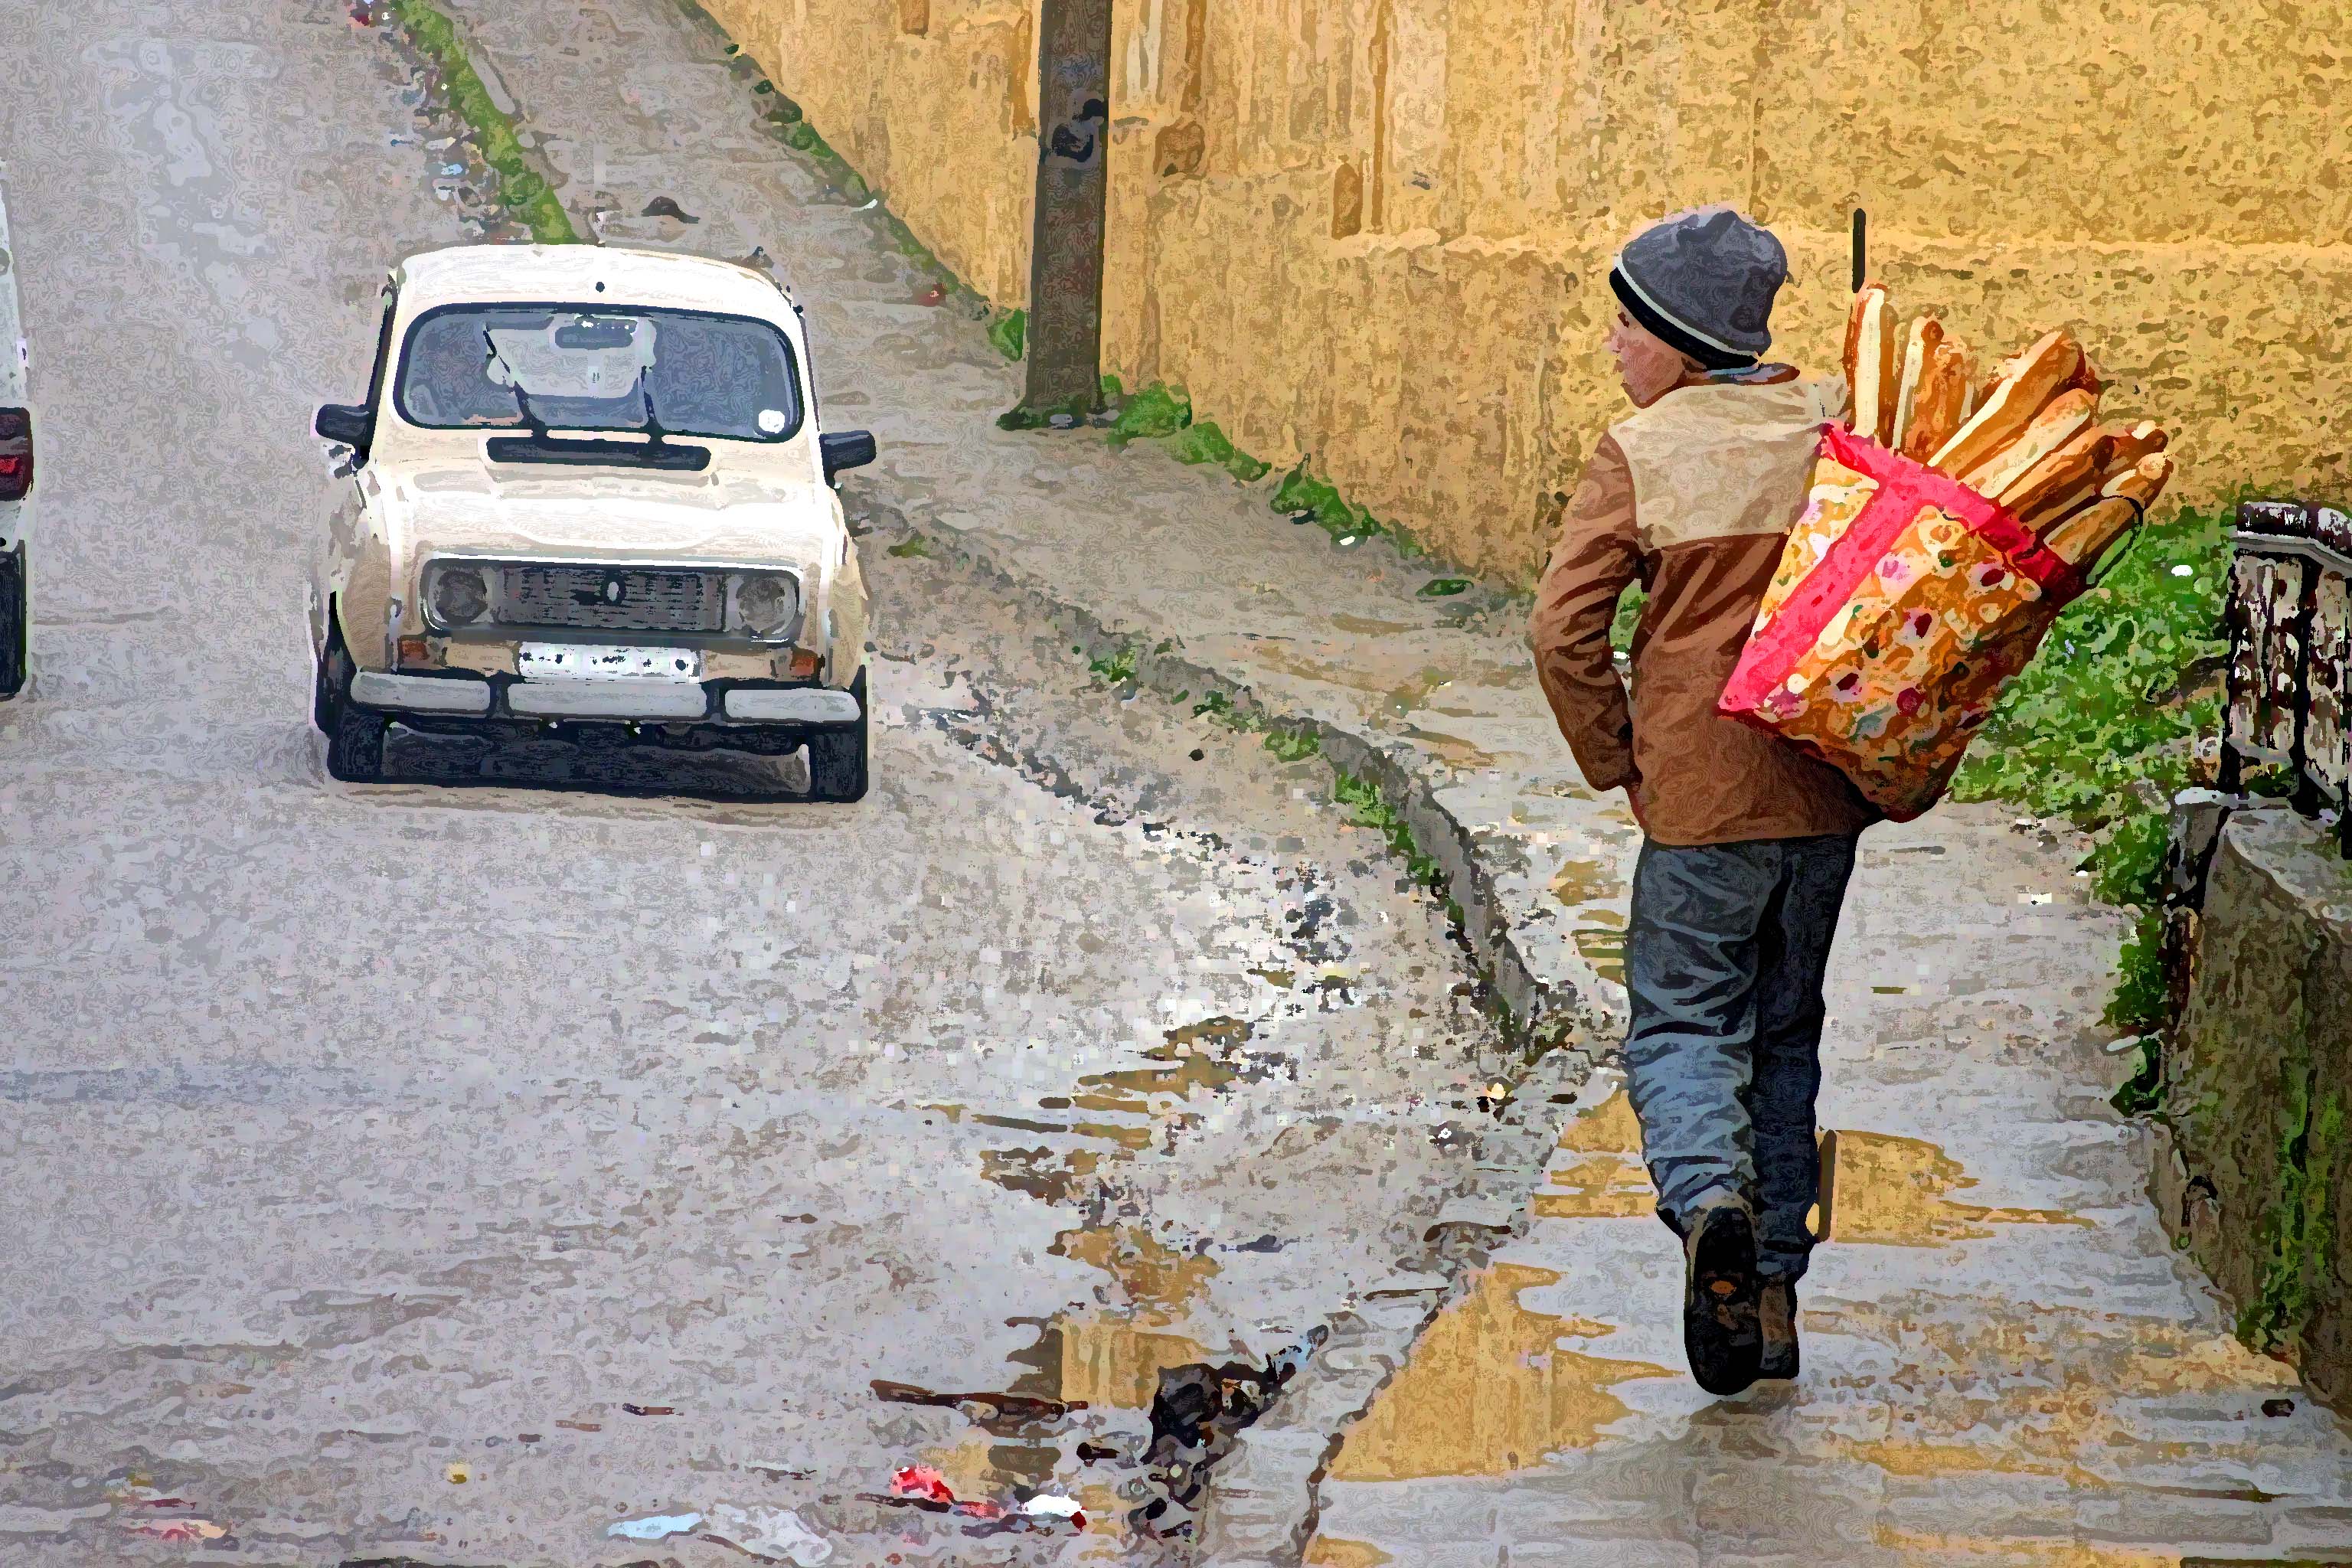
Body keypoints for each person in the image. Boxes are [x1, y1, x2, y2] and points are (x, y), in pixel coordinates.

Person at [1527, 207, 1879, 1396]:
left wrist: (1617, 754)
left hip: (1697, 801)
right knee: (1786, 1037)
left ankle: (1707, 1202)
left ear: (1676, 339)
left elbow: (1563, 630)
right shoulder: (1837, 419)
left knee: (1683, 1025)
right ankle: (1772, 1302)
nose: (1616, 347)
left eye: (1627, 326)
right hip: (1824, 792)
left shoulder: (1645, 452)